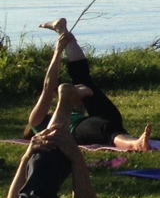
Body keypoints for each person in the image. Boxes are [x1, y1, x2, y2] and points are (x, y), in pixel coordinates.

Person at [24, 20, 151, 152]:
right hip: (81, 129)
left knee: (83, 79)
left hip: (96, 121)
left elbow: (81, 92)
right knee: (106, 128)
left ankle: (62, 29)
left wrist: (65, 38)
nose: (50, 110)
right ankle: (135, 144)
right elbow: (48, 87)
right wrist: (58, 51)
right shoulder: (36, 123)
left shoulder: (71, 112)